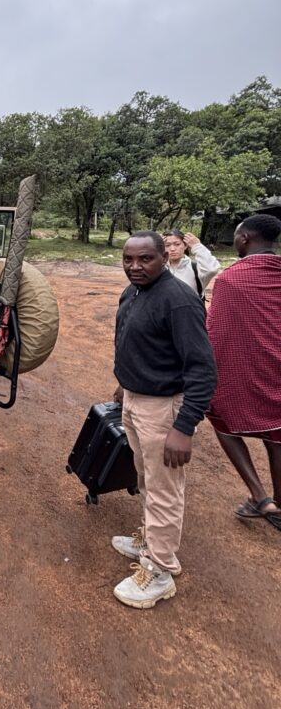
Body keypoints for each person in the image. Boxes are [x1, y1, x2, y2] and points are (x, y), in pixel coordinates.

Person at [111, 231, 216, 608]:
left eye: (145, 259)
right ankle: (151, 540)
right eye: (128, 259)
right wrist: (124, 382)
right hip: (135, 399)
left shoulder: (179, 301)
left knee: (164, 489)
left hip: (163, 408)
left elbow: (203, 370)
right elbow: (132, 340)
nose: (135, 267)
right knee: (146, 477)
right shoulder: (134, 292)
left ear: (163, 258)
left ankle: (159, 570)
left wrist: (184, 427)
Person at [205, 214, 281, 530]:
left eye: (236, 236)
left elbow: (215, 333)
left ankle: (260, 496)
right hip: (278, 372)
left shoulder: (231, 280)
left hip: (244, 371)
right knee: (277, 435)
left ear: (245, 238)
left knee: (221, 420)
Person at [162, 229, 221, 297]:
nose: (172, 249)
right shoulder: (158, 269)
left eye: (177, 244)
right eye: (167, 245)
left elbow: (212, 269)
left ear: (185, 246)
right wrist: (154, 246)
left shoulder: (195, 269)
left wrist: (197, 247)